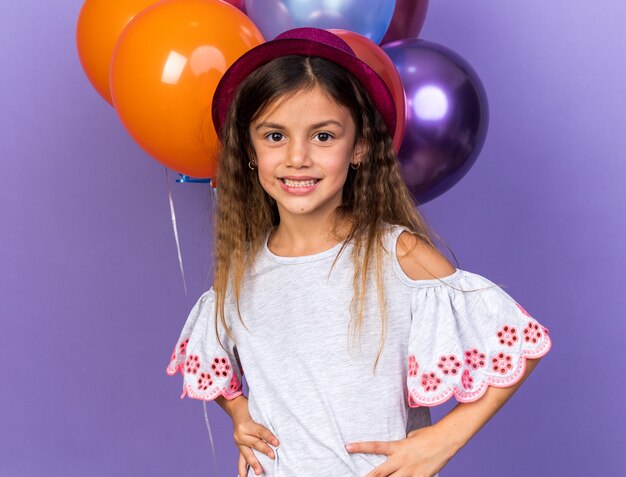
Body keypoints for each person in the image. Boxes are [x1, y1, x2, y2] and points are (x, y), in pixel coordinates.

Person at [166, 27, 552, 477]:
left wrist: (441, 441)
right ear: (249, 149)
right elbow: (210, 357)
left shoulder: (396, 253)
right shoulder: (243, 272)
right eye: (274, 136)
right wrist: (240, 414)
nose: (297, 158)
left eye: (323, 137)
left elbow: (519, 344)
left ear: (360, 147)